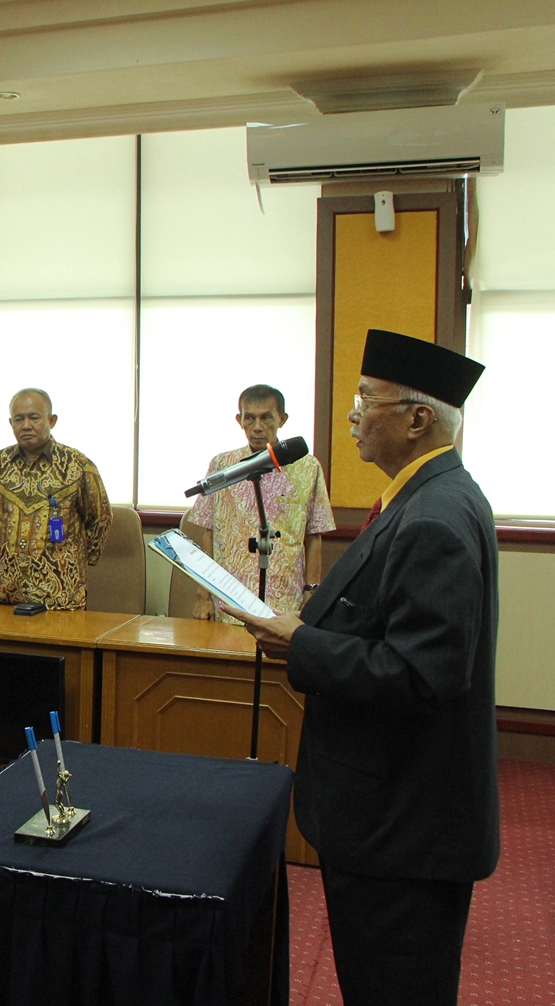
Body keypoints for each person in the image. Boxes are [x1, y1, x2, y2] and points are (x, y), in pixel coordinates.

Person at [222, 330, 495, 1006]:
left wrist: (301, 642)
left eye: (365, 398)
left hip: (402, 827)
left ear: (416, 417)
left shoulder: (434, 514)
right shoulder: (422, 495)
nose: (350, 413)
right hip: (393, 815)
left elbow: (421, 674)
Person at [188, 384, 334, 621]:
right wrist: (202, 596)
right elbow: (209, 534)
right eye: (250, 418)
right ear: (239, 420)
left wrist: (311, 593)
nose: (257, 427)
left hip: (285, 598)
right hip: (229, 596)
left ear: (282, 419)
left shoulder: (308, 467)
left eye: (266, 418)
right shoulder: (222, 466)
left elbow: (314, 536)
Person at [0, 388, 112, 610]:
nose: (26, 425)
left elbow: (100, 519)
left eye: (34, 417)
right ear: (11, 423)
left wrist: (73, 562)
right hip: (4, 595)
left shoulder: (77, 466)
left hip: (61, 597)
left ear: (52, 420)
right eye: (19, 419)